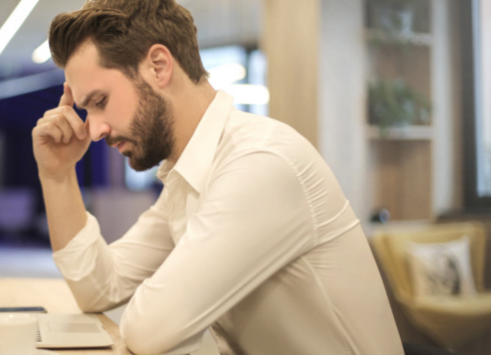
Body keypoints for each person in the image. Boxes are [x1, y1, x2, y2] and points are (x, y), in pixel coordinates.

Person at [31, 0, 403, 354]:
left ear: (158, 66)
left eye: (100, 102)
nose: (94, 130)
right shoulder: (188, 177)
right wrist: (58, 174)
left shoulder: (260, 163)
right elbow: (100, 289)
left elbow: (151, 331)